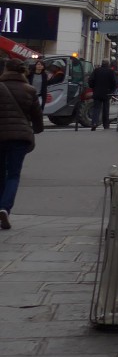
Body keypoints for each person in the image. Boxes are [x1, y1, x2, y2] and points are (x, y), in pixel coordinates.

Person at [0, 57, 42, 229]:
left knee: (1, 173)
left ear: (6, 69)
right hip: (20, 137)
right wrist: (37, 129)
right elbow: (37, 115)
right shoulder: (29, 90)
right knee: (13, 174)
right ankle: (4, 208)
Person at [88, 59, 118, 130]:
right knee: (106, 110)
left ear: (102, 63)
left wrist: (94, 88)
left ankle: (94, 123)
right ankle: (105, 124)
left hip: (97, 92)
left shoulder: (96, 70)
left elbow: (91, 80)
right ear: (108, 64)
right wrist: (111, 91)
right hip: (107, 93)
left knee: (96, 109)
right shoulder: (110, 71)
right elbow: (114, 82)